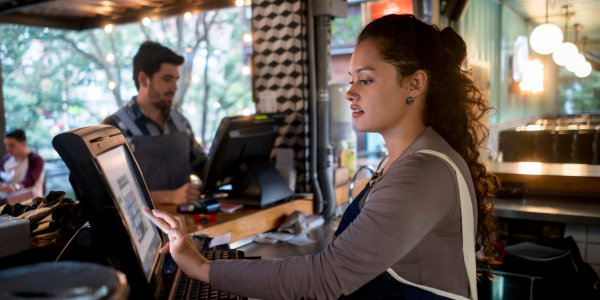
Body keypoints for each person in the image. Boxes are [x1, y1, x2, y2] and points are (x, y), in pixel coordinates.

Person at [143, 14, 500, 299]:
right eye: (351, 80)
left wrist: (200, 267)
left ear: (415, 84)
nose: (350, 93)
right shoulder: (409, 158)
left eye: (366, 80)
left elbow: (327, 278)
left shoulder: (423, 171)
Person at [103, 41, 207, 205]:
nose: (174, 87)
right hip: (142, 229)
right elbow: (109, 193)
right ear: (144, 80)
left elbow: (203, 168)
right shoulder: (113, 129)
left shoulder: (181, 123)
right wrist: (170, 197)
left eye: (176, 80)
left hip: (186, 226)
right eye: (167, 79)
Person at [1, 129, 45, 198]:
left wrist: (15, 187)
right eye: (7, 145)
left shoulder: (35, 159)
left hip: (32, 203)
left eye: (12, 145)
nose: (8, 149)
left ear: (23, 143)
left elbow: (30, 180)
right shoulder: (6, 159)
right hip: (11, 203)